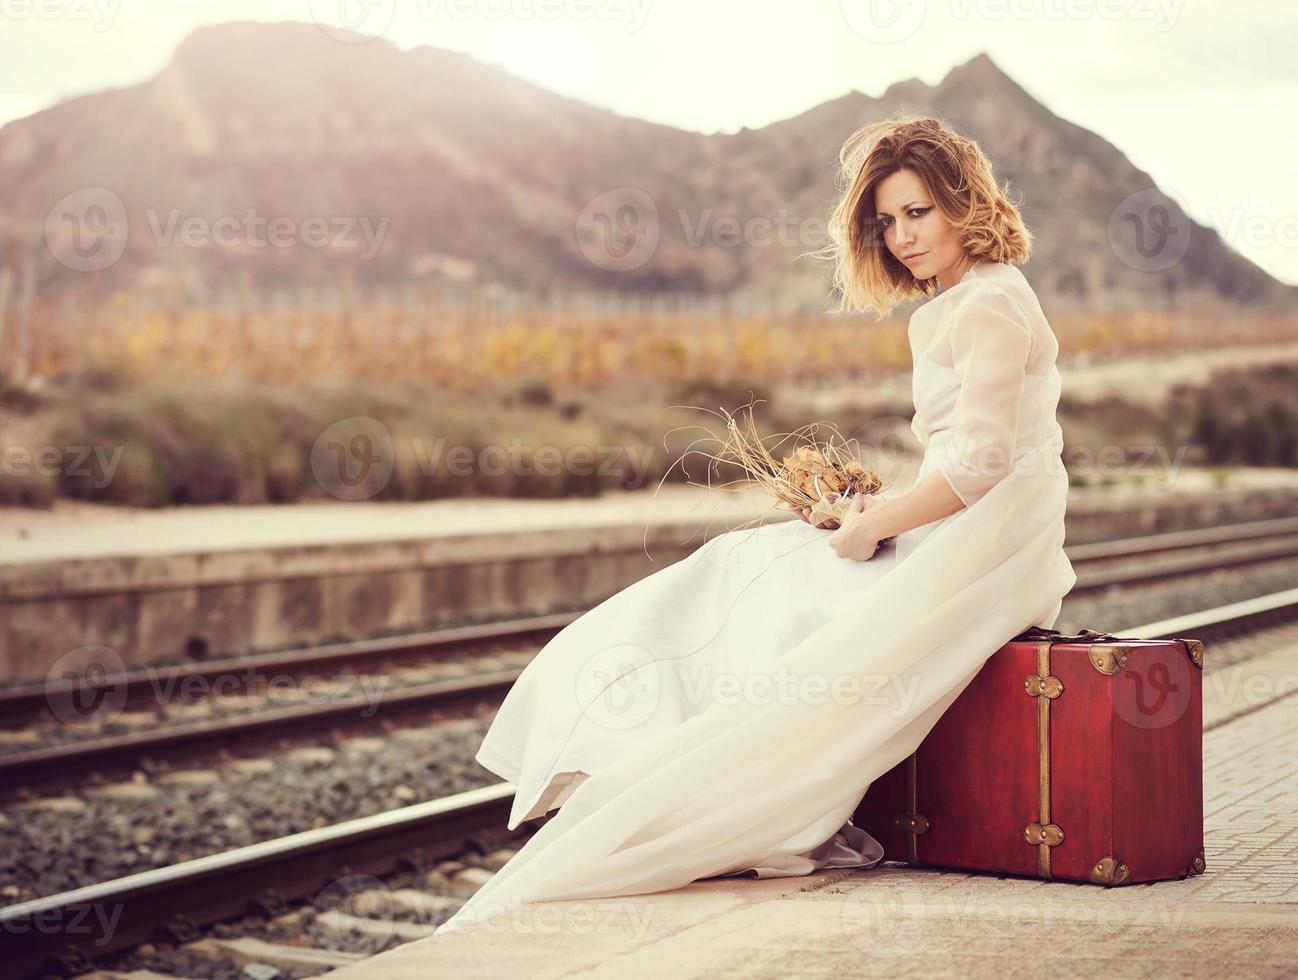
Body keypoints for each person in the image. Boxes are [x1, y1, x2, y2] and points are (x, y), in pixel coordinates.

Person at [432, 114, 1077, 935]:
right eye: (886, 220)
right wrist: (871, 508)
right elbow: (968, 456)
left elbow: (984, 462)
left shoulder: (988, 303)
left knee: (755, 576)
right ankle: (664, 765)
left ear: (963, 201)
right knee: (756, 569)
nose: (903, 236)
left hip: (990, 543)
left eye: (919, 212)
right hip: (989, 527)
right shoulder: (968, 302)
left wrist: (874, 527)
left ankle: (687, 783)